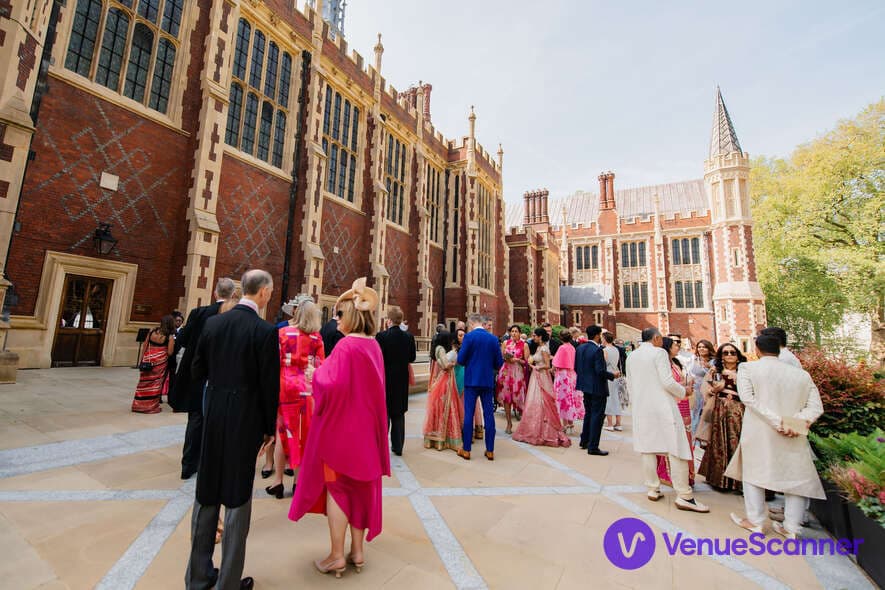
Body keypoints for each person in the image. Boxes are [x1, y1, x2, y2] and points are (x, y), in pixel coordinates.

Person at [185, 270, 280, 590]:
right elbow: (270, 387)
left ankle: (197, 578)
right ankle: (227, 582)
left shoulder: (213, 324)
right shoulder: (264, 331)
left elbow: (197, 370)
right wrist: (268, 429)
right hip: (245, 423)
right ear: (264, 293)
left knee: (206, 494)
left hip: (214, 419)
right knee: (237, 501)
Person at [289, 278, 390, 576]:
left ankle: (336, 555)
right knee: (360, 491)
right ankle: (357, 552)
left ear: (351, 316)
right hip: (367, 434)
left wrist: (314, 373)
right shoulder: (374, 346)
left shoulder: (347, 347)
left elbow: (331, 385)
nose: (337, 320)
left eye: (340, 314)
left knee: (338, 490)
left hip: (342, 436)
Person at [727, 335, 825, 539]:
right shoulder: (801, 375)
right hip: (793, 431)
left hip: (759, 430)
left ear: (756, 349)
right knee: (795, 478)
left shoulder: (748, 369)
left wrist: (776, 420)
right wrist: (792, 422)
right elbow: (816, 407)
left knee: (753, 475)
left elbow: (748, 400)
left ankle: (755, 521)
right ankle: (792, 527)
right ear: (779, 350)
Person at [627, 327, 709, 513]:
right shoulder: (658, 353)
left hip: (642, 407)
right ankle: (684, 495)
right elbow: (667, 381)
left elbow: (630, 383)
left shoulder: (633, 356)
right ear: (656, 338)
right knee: (677, 447)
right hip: (663, 406)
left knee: (647, 448)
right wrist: (684, 392)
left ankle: (652, 488)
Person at [171, 278, 236, 479]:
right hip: (222, 375)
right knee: (218, 421)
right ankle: (211, 464)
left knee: (196, 419)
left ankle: (188, 465)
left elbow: (182, 340)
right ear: (232, 295)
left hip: (197, 375)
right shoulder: (234, 316)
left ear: (215, 293)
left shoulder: (199, 313)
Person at [263, 300, 325, 500]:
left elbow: (273, 364)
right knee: (303, 435)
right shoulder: (316, 338)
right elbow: (321, 366)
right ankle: (298, 482)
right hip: (307, 391)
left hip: (285, 388)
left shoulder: (281, 334)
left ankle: (278, 481)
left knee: (283, 433)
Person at [698, 342, 748, 492]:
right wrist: (713, 390)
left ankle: (739, 481)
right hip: (719, 409)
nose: (729, 356)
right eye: (725, 353)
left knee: (738, 442)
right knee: (719, 442)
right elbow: (704, 389)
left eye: (732, 352)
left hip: (739, 410)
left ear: (738, 356)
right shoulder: (716, 370)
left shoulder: (745, 371)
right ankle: (719, 480)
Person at [513, 329, 572, 447]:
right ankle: (534, 428)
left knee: (543, 401)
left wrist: (537, 367)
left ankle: (545, 431)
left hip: (542, 376)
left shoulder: (544, 348)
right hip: (536, 376)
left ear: (540, 337)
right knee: (534, 401)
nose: (533, 337)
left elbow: (547, 365)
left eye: (535, 336)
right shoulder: (539, 348)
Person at [456, 313, 503, 460]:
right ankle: (490, 450)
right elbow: (499, 364)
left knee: (469, 414)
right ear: (482, 323)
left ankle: (467, 450)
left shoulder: (469, 337)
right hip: (487, 381)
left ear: (471, 324)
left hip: (471, 381)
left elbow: (461, 360)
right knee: (489, 414)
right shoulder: (493, 339)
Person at [375, 308, 416, 457]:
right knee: (398, 414)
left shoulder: (381, 336)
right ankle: (398, 447)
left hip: (385, 379)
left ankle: (380, 446)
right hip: (401, 380)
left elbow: (377, 357)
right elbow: (412, 358)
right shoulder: (409, 337)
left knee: (384, 413)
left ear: (389, 320)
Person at [656, 337, 696, 488]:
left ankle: (687, 474)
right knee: (672, 438)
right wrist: (683, 387)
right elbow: (665, 384)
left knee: (685, 438)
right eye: (675, 344)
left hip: (684, 402)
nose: (678, 345)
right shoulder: (664, 364)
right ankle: (668, 473)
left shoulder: (677, 362)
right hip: (673, 403)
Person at [575, 325, 618, 455]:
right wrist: (612, 375)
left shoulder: (580, 348)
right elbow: (600, 371)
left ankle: (584, 441)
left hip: (585, 386)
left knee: (589, 414)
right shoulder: (597, 350)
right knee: (597, 417)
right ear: (597, 335)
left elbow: (576, 367)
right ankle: (593, 446)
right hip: (597, 388)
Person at [423, 331, 463, 451]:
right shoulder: (440, 349)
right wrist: (453, 362)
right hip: (445, 379)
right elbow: (444, 365)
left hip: (446, 378)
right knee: (445, 405)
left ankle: (440, 437)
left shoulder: (439, 348)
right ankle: (441, 437)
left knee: (444, 405)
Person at [131, 315, 176, 414]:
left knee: (143, 383)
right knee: (155, 384)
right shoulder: (169, 336)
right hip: (160, 363)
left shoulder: (151, 332)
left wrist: (142, 359)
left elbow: (145, 346)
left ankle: (138, 405)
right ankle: (150, 406)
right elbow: (170, 352)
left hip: (148, 360)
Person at [496, 324, 529, 434]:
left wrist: (518, 360)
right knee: (506, 398)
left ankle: (523, 424)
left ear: (520, 333)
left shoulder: (524, 345)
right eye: (512, 331)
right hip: (506, 372)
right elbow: (502, 356)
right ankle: (509, 423)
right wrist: (507, 358)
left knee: (519, 398)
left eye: (516, 331)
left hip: (517, 373)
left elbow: (526, 361)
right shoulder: (506, 343)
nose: (514, 333)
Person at [552, 330, 582, 433]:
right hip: (572, 374)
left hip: (563, 375)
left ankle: (565, 424)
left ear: (561, 338)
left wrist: (551, 369)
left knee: (563, 399)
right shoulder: (572, 348)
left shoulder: (562, 347)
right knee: (571, 398)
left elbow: (556, 363)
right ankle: (571, 423)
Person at [689, 339, 716, 435]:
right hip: (695, 392)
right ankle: (694, 438)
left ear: (709, 349)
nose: (701, 349)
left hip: (707, 392)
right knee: (694, 415)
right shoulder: (693, 359)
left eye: (704, 347)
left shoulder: (713, 362)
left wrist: (709, 367)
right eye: (699, 347)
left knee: (706, 416)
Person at [602, 332, 624, 432]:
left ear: (605, 339)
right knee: (616, 398)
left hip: (608, 375)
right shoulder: (616, 349)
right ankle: (618, 423)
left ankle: (610, 423)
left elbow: (604, 363)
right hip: (616, 374)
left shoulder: (605, 350)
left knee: (608, 399)